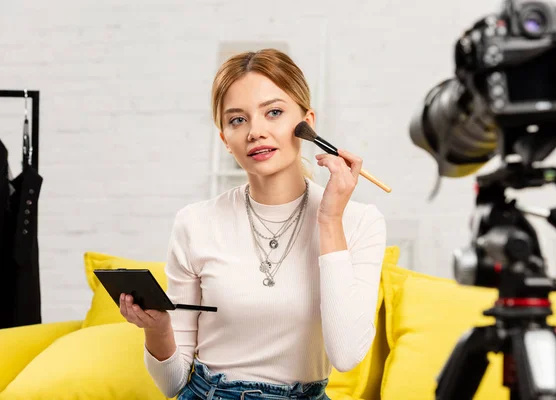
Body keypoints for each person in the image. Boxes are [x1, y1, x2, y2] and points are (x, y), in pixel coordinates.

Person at [119, 48, 387, 400]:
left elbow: (347, 355)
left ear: (307, 123)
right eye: (237, 120)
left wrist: (330, 219)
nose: (255, 131)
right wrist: (158, 330)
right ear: (225, 141)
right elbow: (172, 384)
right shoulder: (195, 223)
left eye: (273, 112)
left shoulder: (360, 222)